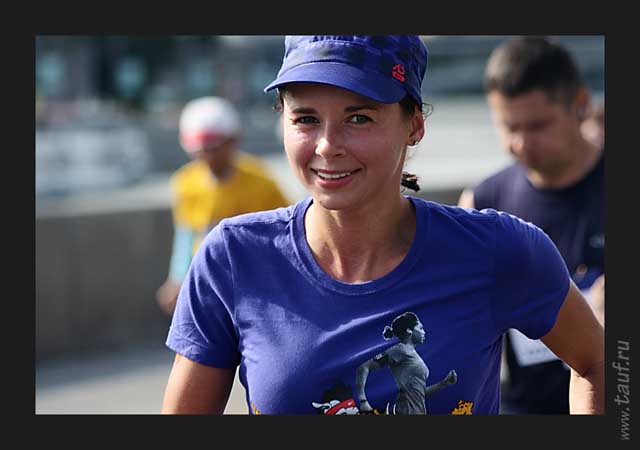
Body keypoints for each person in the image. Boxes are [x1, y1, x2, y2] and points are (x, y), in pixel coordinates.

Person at [161, 35, 604, 415]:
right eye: (306, 118)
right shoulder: (232, 258)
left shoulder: (499, 249)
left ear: (414, 125)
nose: (327, 146)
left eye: (359, 118)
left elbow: (600, 362)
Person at [457, 36, 604, 414]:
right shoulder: (482, 203)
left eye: (538, 126)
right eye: (510, 127)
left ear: (580, 104)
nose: (522, 143)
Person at [155, 96, 290, 316]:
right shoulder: (185, 183)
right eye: (200, 151)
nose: (208, 157)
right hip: (207, 279)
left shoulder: (260, 181)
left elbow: (285, 235)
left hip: (255, 282)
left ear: (233, 140)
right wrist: (177, 278)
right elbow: (186, 235)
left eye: (214, 149)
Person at [355, 311, 457, 414]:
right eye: (420, 328)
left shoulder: (412, 354)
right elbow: (363, 368)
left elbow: (419, 393)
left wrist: (444, 383)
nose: (424, 332)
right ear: (409, 331)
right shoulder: (400, 350)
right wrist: (363, 401)